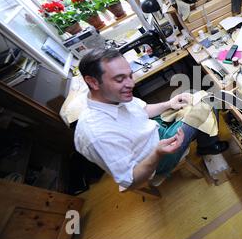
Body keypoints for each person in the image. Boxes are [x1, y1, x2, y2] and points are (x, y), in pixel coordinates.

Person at [74, 48, 228, 190]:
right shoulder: (96, 135)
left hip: (155, 130)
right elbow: (131, 181)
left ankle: (204, 140)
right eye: (120, 79)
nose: (131, 84)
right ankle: (207, 147)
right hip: (156, 157)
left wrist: (169, 103)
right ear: (93, 82)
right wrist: (157, 153)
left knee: (192, 95)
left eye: (130, 75)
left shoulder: (110, 96)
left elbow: (142, 110)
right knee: (208, 102)